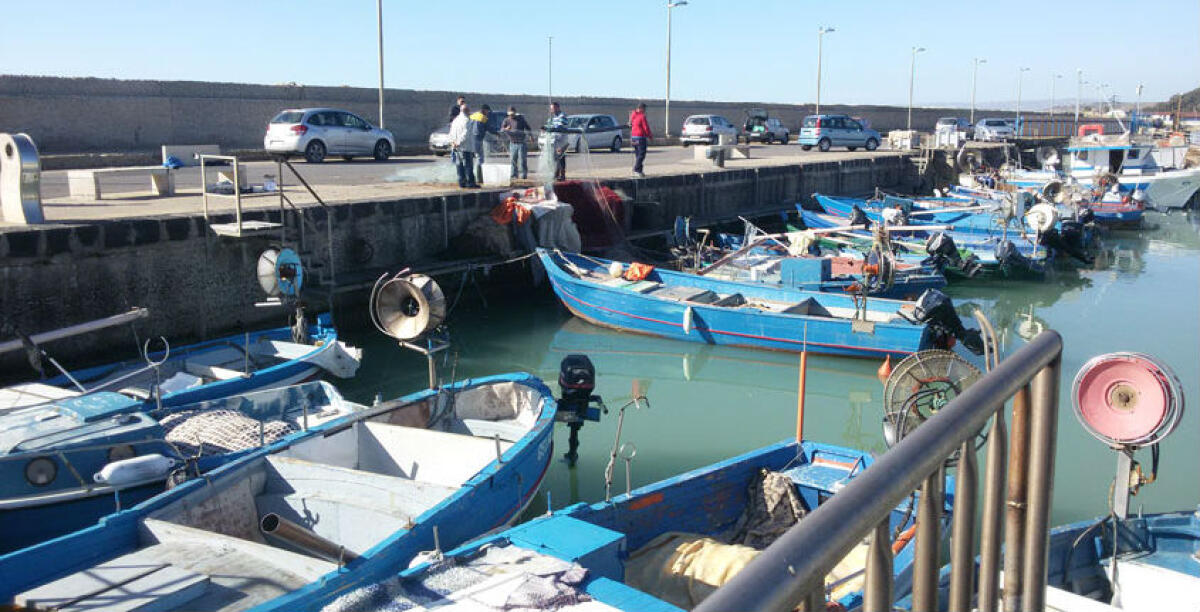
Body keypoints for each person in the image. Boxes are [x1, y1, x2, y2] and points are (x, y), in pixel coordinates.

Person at [449, 104, 478, 188]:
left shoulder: (455, 120)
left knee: (459, 165)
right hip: (465, 147)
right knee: (468, 165)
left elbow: (451, 133)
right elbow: (465, 134)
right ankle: (470, 183)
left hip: (456, 147)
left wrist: (453, 142)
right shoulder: (467, 120)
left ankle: (461, 183)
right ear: (467, 110)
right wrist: (458, 142)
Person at [501, 106, 531, 180]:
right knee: (513, 160)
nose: (512, 115)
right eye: (510, 114)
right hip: (513, 143)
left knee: (522, 160)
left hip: (521, 143)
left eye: (513, 114)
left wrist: (531, 136)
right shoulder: (506, 120)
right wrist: (505, 129)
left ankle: (524, 175)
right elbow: (501, 129)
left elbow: (528, 128)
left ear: (515, 113)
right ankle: (514, 175)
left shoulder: (521, 119)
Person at [467, 104, 492, 185]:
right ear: (485, 110)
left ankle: (469, 176)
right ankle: (479, 178)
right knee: (480, 158)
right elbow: (488, 128)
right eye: (488, 111)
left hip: (469, 140)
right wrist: (496, 133)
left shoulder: (473, 115)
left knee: (469, 158)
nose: (488, 113)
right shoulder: (483, 118)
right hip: (477, 139)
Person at [545, 101, 569, 181]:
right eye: (551, 109)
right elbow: (550, 125)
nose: (552, 110)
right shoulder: (553, 117)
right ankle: (556, 174)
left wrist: (554, 128)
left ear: (557, 108)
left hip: (562, 140)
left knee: (561, 158)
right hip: (555, 140)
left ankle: (562, 175)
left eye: (553, 108)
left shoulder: (563, 116)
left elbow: (561, 126)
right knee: (554, 158)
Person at [629, 103, 653, 178]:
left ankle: (640, 171)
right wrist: (650, 136)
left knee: (637, 155)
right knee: (642, 154)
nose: (645, 111)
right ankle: (636, 168)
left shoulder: (633, 115)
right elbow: (646, 128)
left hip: (633, 137)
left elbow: (630, 123)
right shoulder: (642, 117)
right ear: (642, 108)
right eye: (644, 109)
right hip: (640, 137)